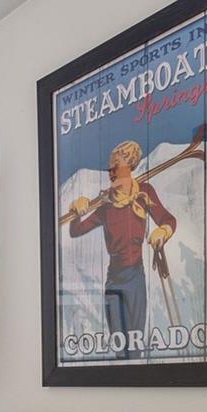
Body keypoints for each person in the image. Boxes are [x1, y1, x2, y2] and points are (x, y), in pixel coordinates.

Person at [68, 139, 176, 357]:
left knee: (134, 346)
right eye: (110, 166)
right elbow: (76, 231)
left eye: (115, 164)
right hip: (113, 281)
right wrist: (75, 209)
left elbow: (167, 218)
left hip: (135, 277)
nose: (111, 170)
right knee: (120, 347)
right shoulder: (105, 205)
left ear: (130, 164)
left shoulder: (144, 192)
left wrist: (162, 232)